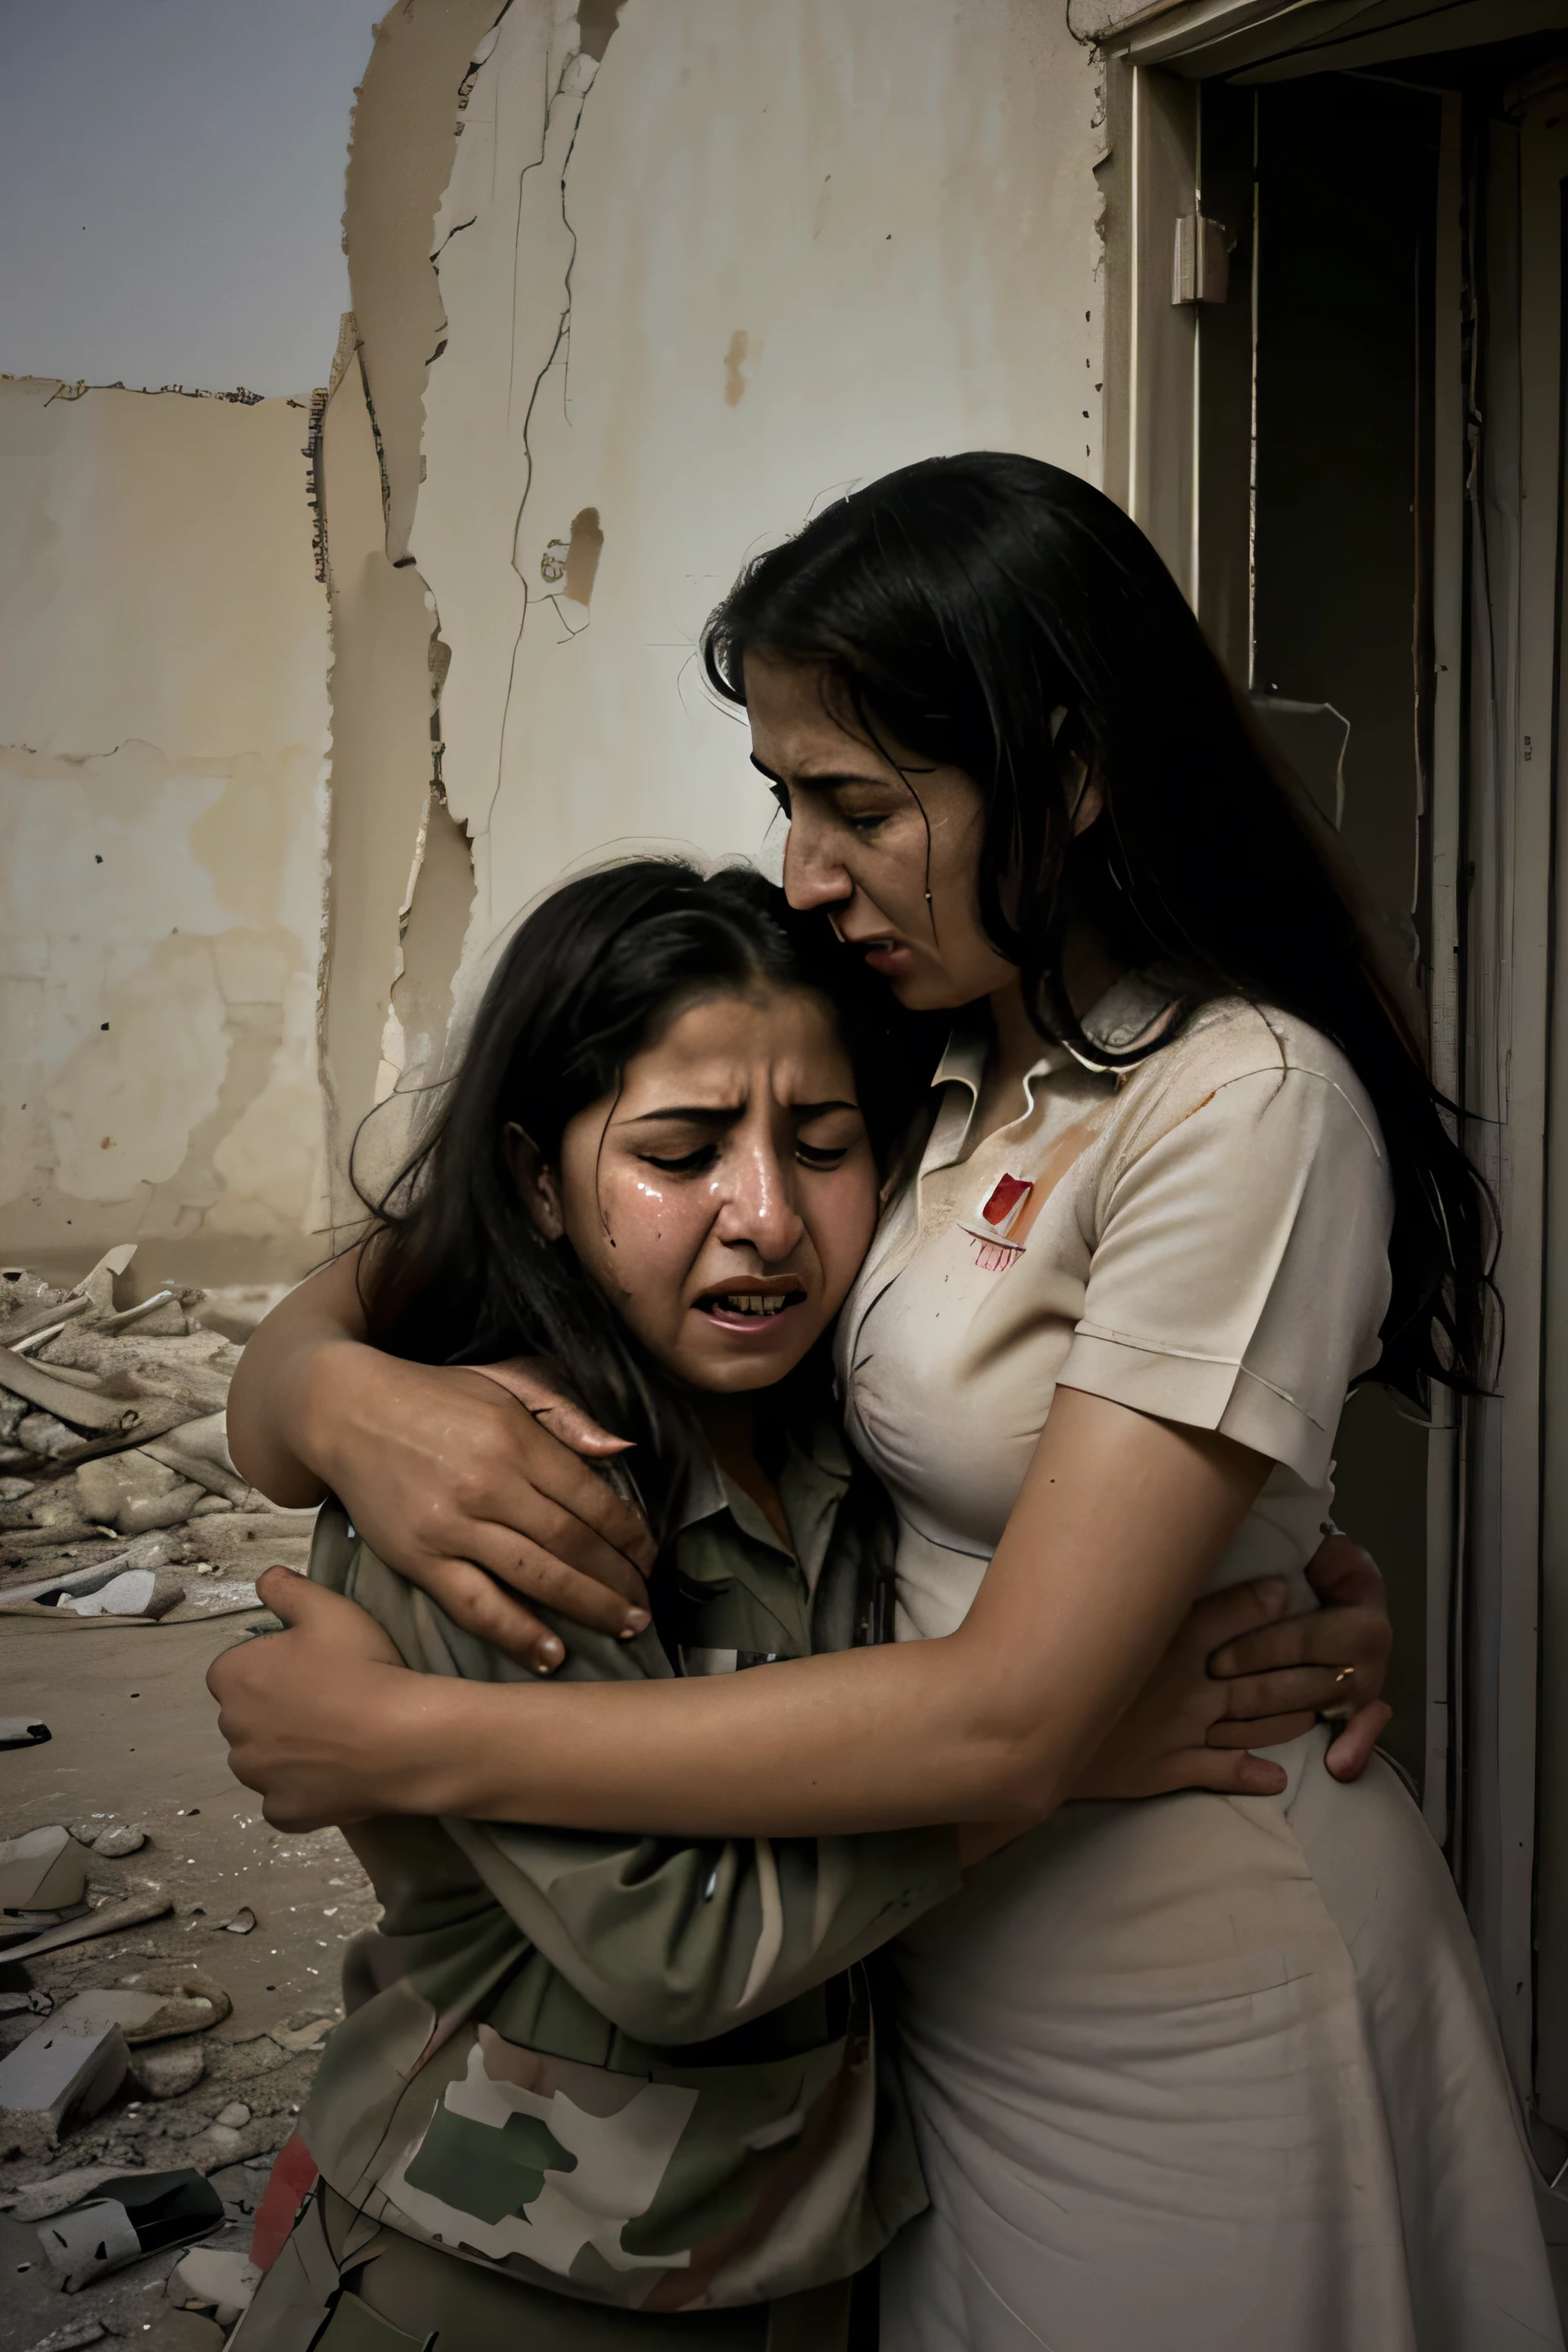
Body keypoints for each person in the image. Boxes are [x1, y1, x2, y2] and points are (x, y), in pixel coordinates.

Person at [212, 454, 1558, 2349]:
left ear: (1070, 777)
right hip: (911, 2003)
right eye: (786, 799)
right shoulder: (901, 1044)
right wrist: (349, 1402)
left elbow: (1016, 1720)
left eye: (858, 803)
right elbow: (388, 1285)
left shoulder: (1234, 1100)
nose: (804, 871)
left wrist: (415, 1745)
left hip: (1180, 1978)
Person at [228, 858, 1370, 2352]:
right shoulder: (504, 1496)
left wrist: (1283, 1575)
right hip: (501, 2285)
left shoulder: (831, 1435)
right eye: (683, 1152)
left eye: (820, 1143)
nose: (763, 1215)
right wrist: (1079, 1742)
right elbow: (677, 1949)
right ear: (532, 1183)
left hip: (791, 2270)